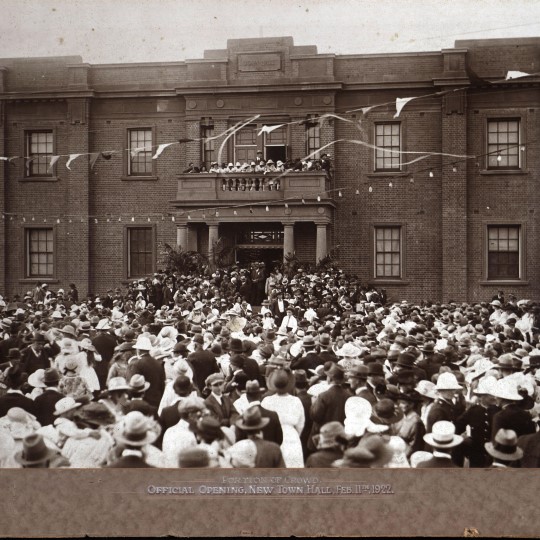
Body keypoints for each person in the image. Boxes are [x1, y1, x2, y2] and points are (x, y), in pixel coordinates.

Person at [261, 369, 305, 468]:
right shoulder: (296, 401)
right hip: (291, 436)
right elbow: (301, 424)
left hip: (272, 437)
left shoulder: (267, 401)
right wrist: (295, 433)